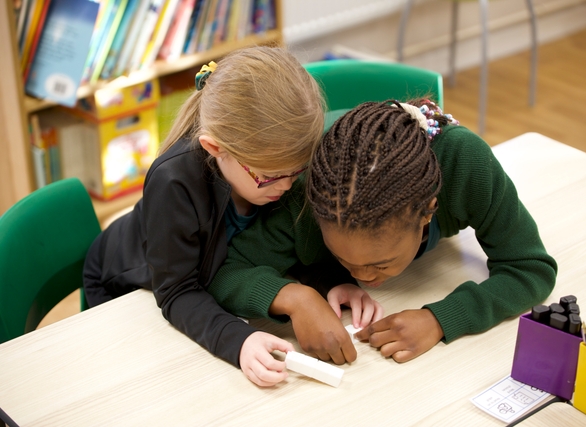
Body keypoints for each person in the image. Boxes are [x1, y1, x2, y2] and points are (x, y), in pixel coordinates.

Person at [82, 47, 378, 387]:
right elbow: (178, 291)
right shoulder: (173, 182)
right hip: (125, 286)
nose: (285, 186)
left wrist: (333, 280)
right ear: (214, 148)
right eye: (270, 176)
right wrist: (239, 341)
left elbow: (294, 240)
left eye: (295, 172)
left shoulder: (278, 163)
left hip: (206, 283)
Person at [207, 98, 558, 365]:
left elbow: (529, 267)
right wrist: (296, 299)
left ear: (427, 211)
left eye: (381, 263)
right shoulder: (310, 191)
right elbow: (224, 270)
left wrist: (441, 318)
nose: (361, 276)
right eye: (343, 258)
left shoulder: (465, 163)